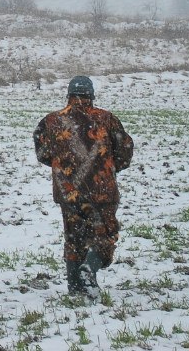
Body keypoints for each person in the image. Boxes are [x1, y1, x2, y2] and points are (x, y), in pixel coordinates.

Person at [33, 75, 134, 299]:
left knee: (73, 238)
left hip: (68, 192)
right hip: (102, 192)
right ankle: (90, 268)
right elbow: (125, 150)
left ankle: (75, 288)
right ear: (91, 95)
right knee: (105, 236)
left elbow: (43, 153)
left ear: (69, 95)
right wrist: (107, 169)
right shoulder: (107, 119)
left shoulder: (50, 121)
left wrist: (63, 166)